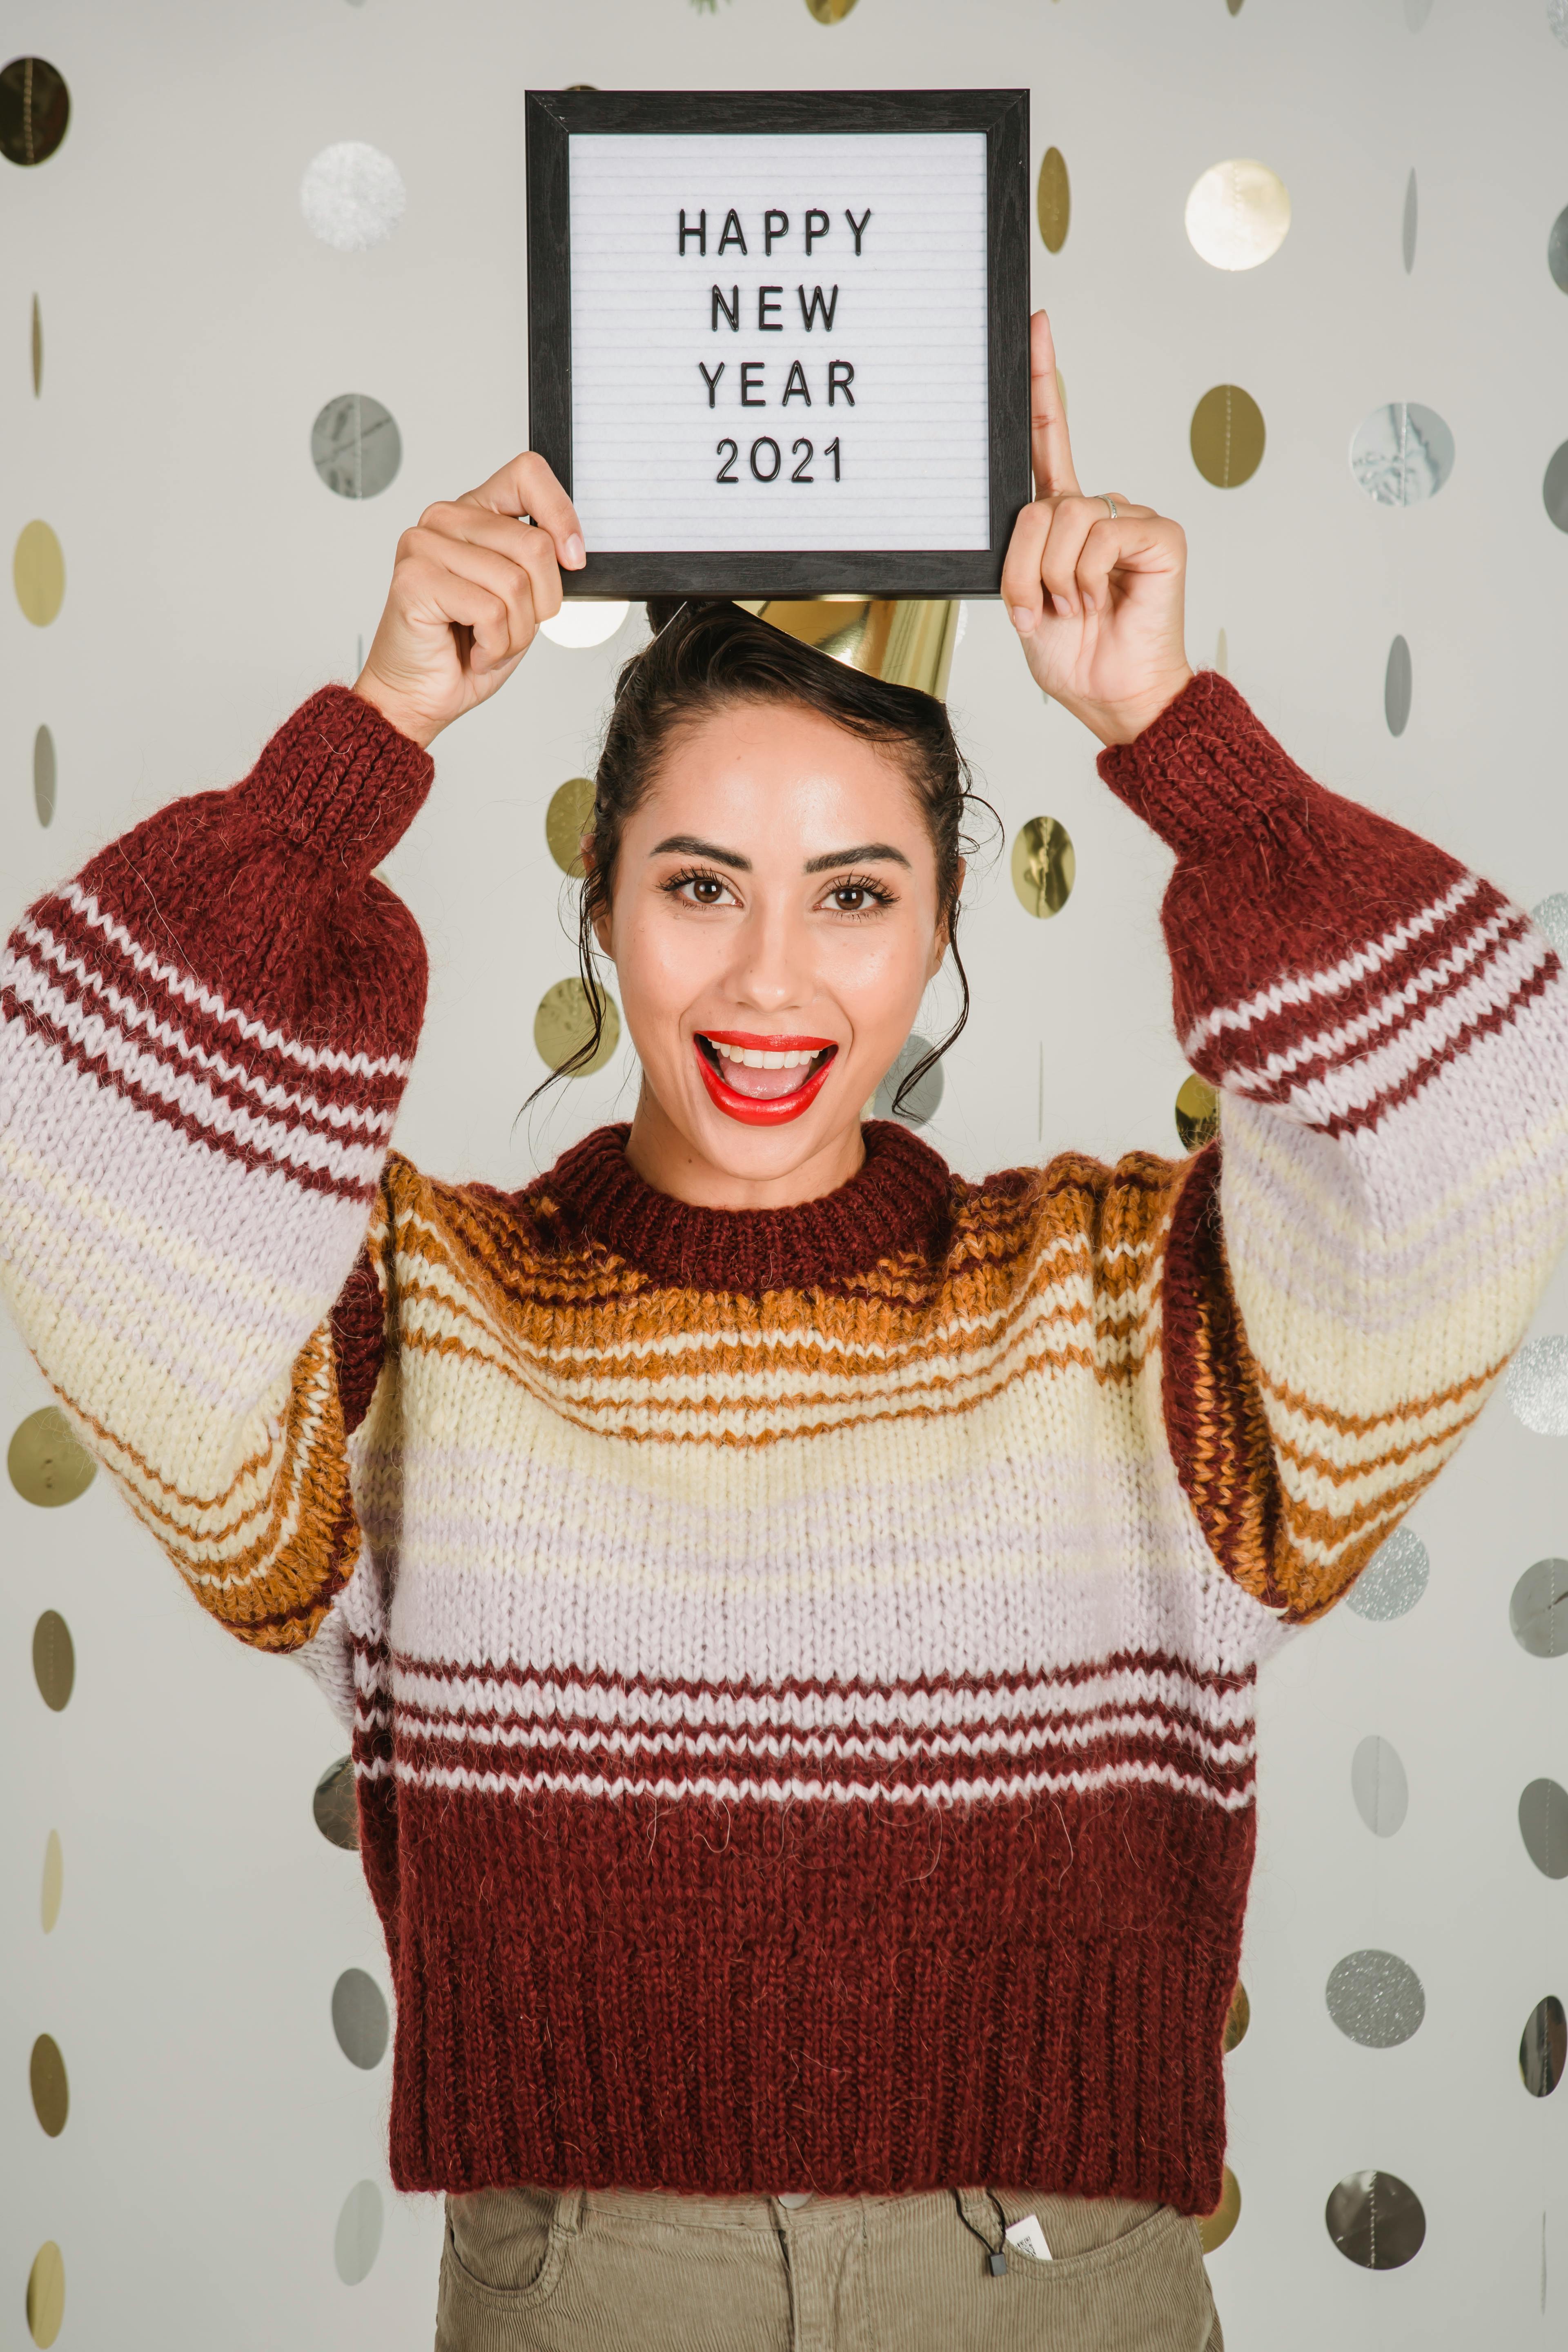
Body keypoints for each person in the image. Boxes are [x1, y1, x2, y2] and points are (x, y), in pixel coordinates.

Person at [3, 311, 1566, 2352]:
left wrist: (1177, 729)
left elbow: (1485, 1132)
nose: (771, 978)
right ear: (603, 912)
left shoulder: (1111, 1303)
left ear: (939, 928)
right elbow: (73, 1167)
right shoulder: (434, 1324)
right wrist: (369, 731)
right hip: (589, 2280)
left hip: (1050, 2277)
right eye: (698, 885)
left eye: (853, 895)